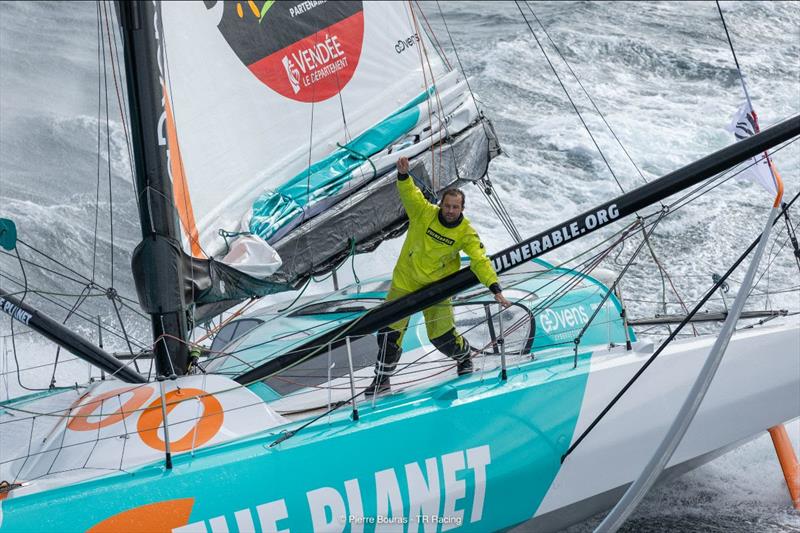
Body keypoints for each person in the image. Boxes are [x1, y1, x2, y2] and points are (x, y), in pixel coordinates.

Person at [365, 156, 511, 396]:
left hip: (437, 289)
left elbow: (480, 261)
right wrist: (403, 175)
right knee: (389, 334)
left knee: (441, 338)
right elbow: (410, 193)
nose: (450, 211)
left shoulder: (466, 233)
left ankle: (464, 358)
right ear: (441, 204)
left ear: (462, 209)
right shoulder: (424, 212)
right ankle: (382, 381)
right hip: (406, 282)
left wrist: (495, 288)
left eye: (456, 207)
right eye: (447, 205)